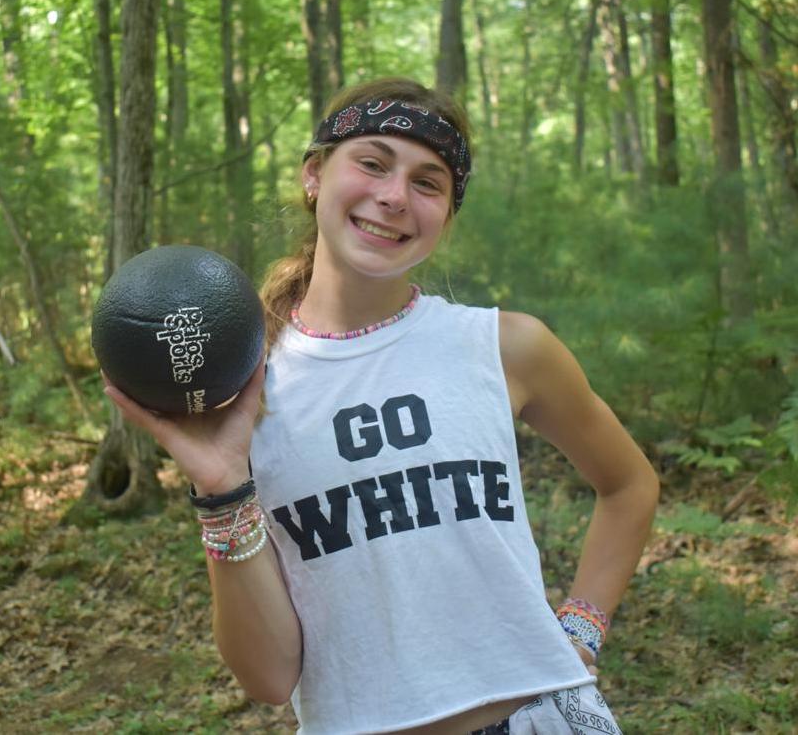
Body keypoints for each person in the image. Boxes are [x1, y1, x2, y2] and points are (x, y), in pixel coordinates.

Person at [103, 78, 660, 734]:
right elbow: (270, 678)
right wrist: (222, 490)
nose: (395, 197)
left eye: (428, 183)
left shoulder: (505, 347)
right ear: (315, 175)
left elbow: (629, 484)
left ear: (447, 216)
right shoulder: (244, 390)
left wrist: (583, 625)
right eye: (372, 163)